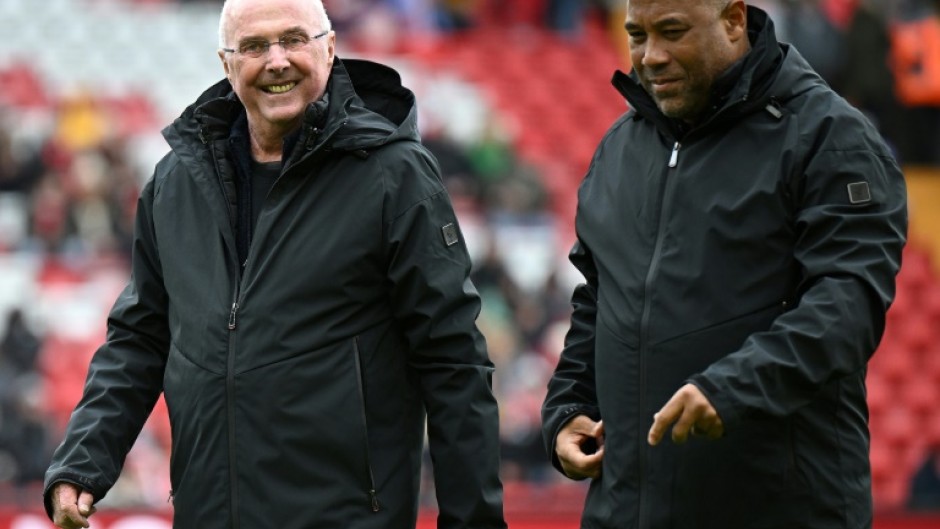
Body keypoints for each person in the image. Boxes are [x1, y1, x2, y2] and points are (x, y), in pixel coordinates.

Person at [42, 0, 507, 528]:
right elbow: (139, 338)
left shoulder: (393, 175)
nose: (277, 60)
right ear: (226, 63)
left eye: (294, 39)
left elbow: (452, 360)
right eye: (255, 46)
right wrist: (82, 461)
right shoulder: (174, 184)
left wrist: (473, 521)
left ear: (330, 49)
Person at [541, 1, 907, 528]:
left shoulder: (830, 136)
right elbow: (599, 301)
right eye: (637, 35)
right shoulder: (620, 147)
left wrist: (731, 389)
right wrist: (568, 407)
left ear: (734, 20)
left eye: (672, 32)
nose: (651, 56)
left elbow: (847, 305)